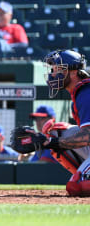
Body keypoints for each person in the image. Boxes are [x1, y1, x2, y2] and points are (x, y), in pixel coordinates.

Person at [39, 49, 90, 196]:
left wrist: (52, 143)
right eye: (53, 69)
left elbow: (87, 136)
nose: (53, 74)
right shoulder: (80, 92)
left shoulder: (86, 93)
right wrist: (46, 140)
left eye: (58, 69)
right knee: (55, 131)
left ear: (74, 72)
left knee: (79, 186)